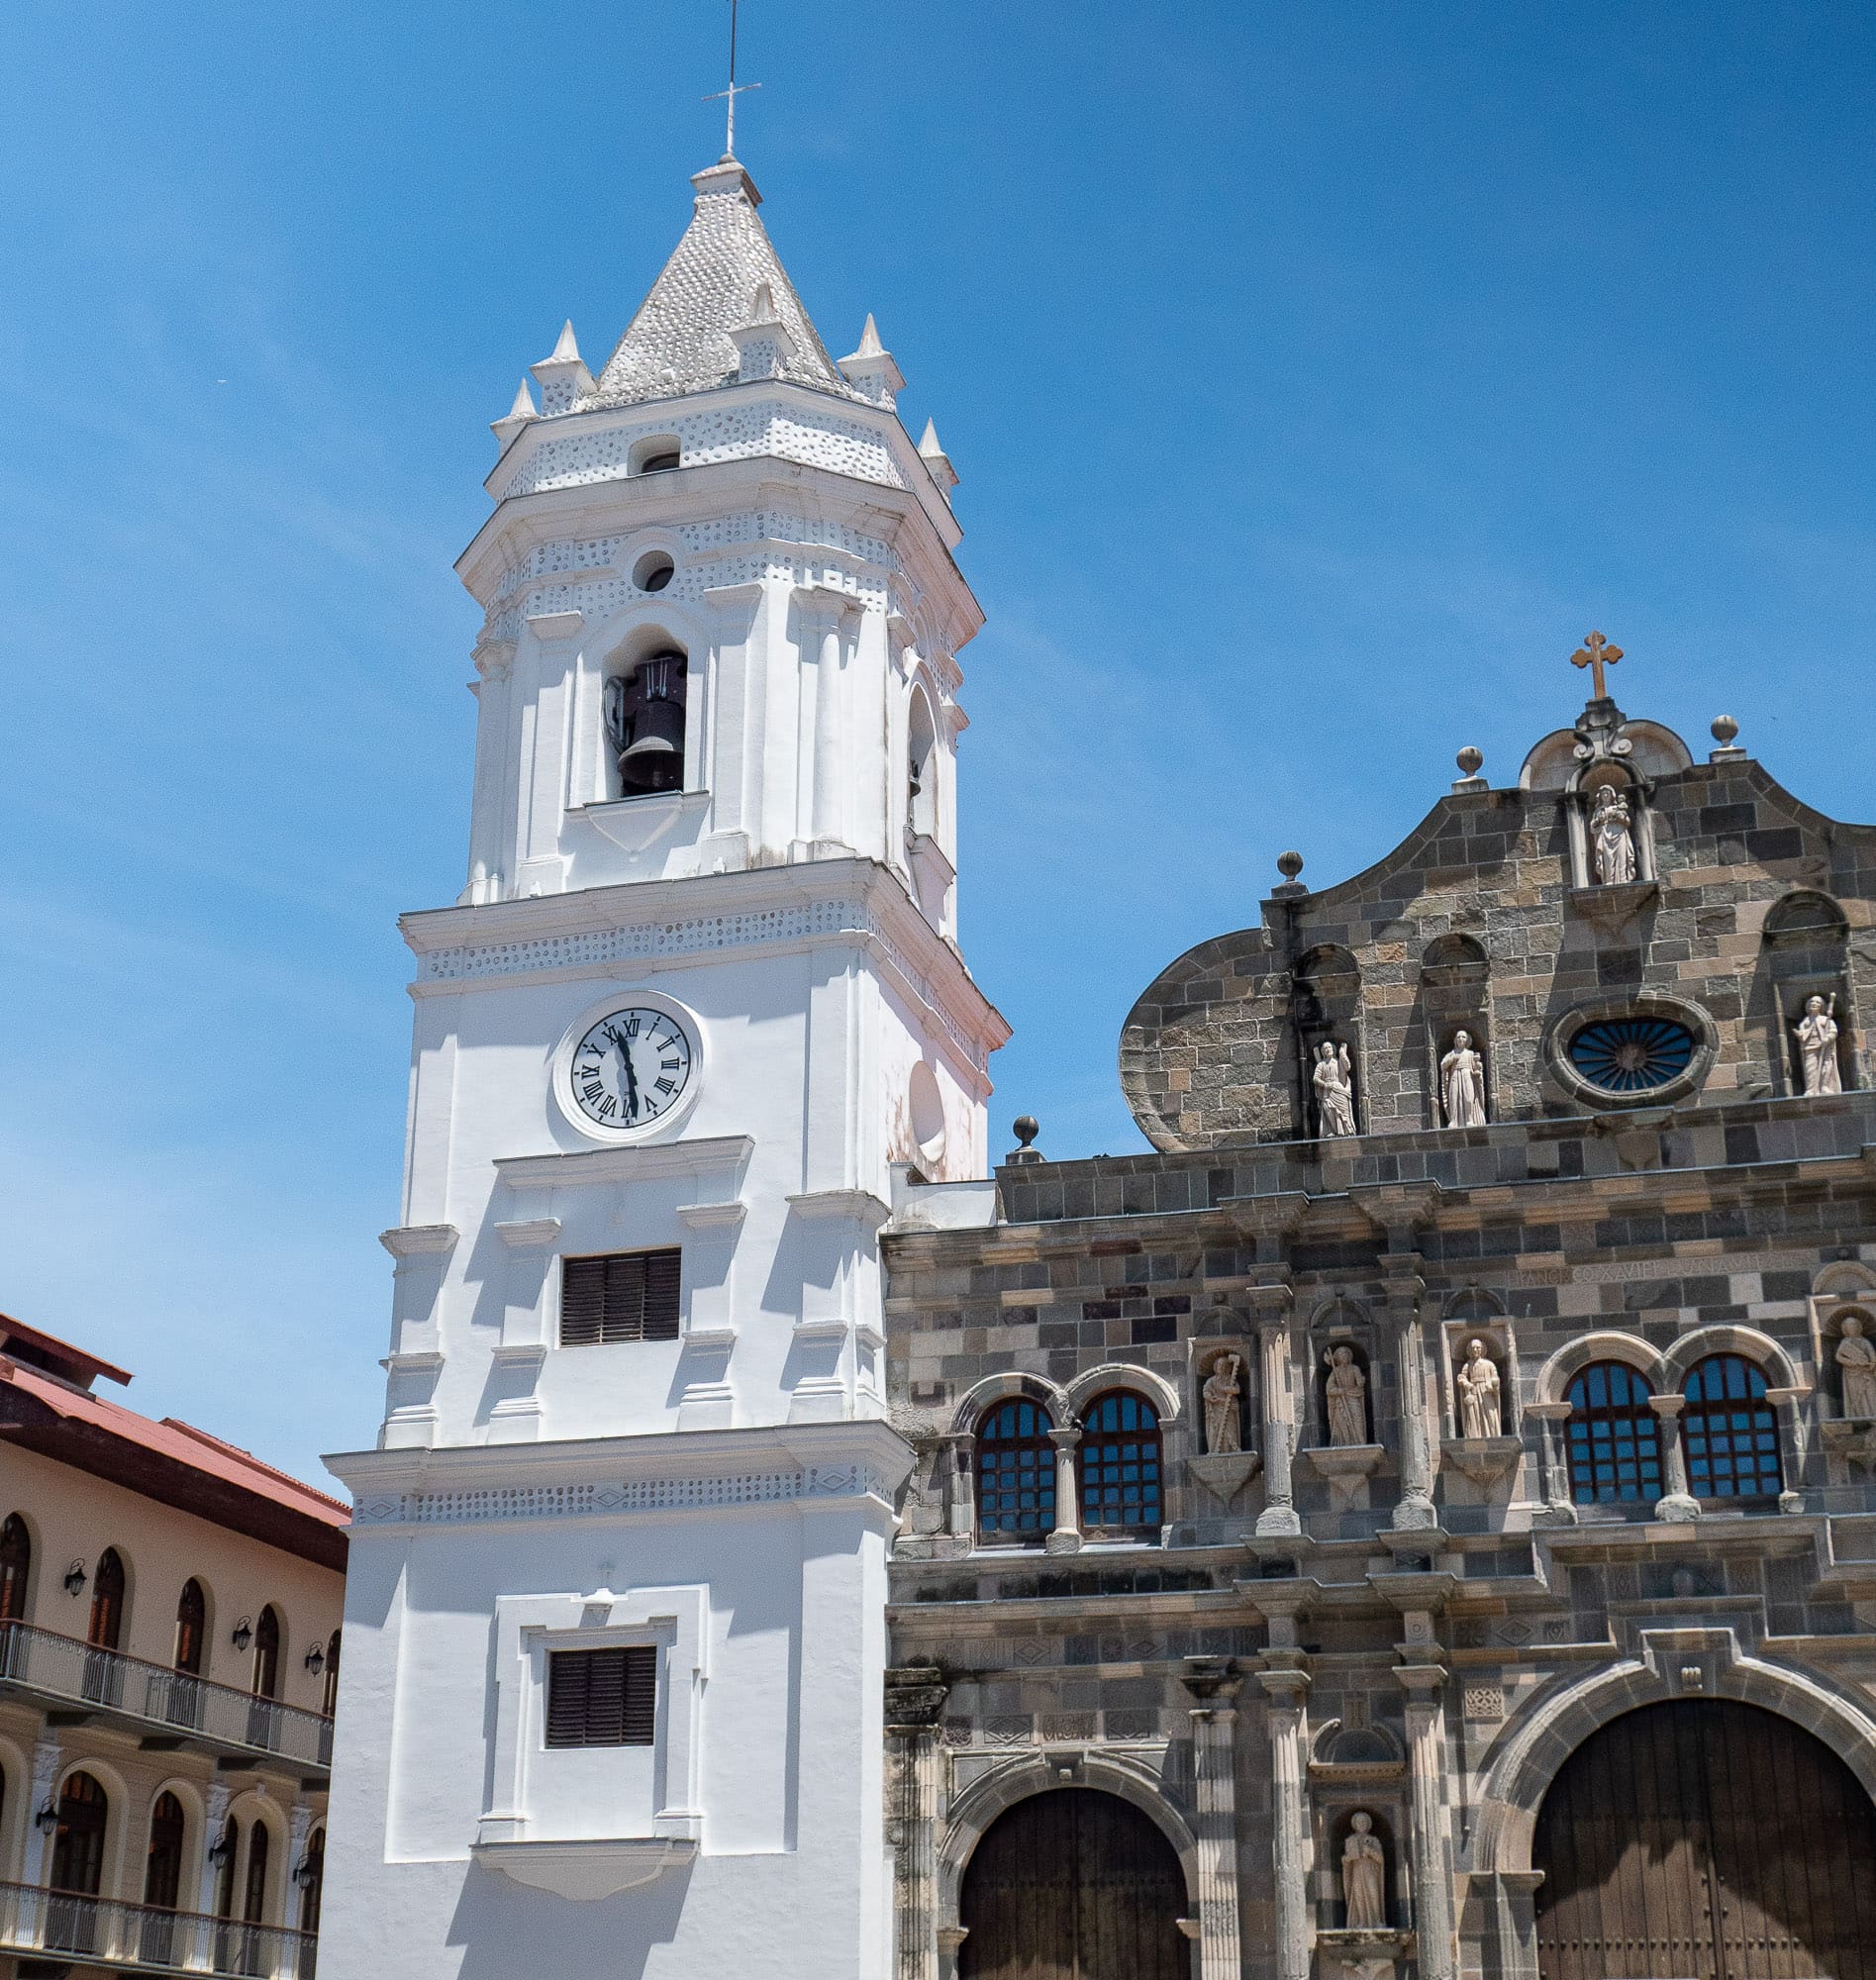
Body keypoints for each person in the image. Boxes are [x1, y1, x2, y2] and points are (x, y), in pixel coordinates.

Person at [1341, 1812, 1386, 1930]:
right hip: (1356, 1871)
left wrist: (1370, 1851)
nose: (1361, 1824)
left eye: (1364, 1821)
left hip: (1370, 1871)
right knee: (1358, 1895)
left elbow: (1381, 1859)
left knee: (1373, 1894)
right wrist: (1348, 1858)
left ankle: (1376, 1920)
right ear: (1355, 1824)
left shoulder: (1373, 1840)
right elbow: (1345, 1860)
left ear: (1368, 1824)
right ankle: (1361, 1921)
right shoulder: (1350, 1840)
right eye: (1359, 1821)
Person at [1795, 993, 1842, 1097]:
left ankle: (1824, 1087)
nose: (1814, 1004)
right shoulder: (1806, 1021)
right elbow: (1802, 1033)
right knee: (1810, 1069)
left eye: (1817, 1002)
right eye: (1812, 1002)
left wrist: (1828, 1038)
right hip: (1810, 1047)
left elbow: (1833, 1031)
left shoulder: (1825, 1019)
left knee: (1826, 1067)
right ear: (1808, 1005)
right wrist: (1799, 1034)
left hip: (1825, 1047)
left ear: (1822, 1006)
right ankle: (1811, 1089)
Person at [1590, 783, 1636, 885]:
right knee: (1608, 859)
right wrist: (1598, 820)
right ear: (1600, 797)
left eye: (1607, 793)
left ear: (1612, 795)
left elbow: (1628, 822)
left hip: (1619, 834)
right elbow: (1592, 827)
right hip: (1605, 836)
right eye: (1603, 794)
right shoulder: (1599, 810)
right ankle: (1609, 880)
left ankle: (1623, 879)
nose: (1605, 796)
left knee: (1621, 857)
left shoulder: (1618, 808)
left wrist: (1621, 818)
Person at [1440, 1030, 1488, 1128]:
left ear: (1467, 1040)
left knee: (1468, 1097)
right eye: (1459, 1037)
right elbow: (1443, 1065)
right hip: (1455, 1076)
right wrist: (1452, 1059)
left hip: (1468, 1076)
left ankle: (1469, 1119)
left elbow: (1476, 1068)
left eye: (1463, 1037)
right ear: (1455, 1040)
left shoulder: (1470, 1053)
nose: (1461, 1039)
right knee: (1454, 1098)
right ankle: (1454, 1120)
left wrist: (1478, 1072)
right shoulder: (1452, 1053)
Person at [1457, 1338, 1502, 1438]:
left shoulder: (1489, 1364)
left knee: (1490, 1413)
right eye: (1473, 1348)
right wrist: (1466, 1383)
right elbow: (1461, 1377)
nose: (1476, 1350)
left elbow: (1495, 1376)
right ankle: (1476, 1435)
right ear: (1470, 1350)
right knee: (1475, 1414)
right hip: (1474, 1390)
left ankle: (1492, 1434)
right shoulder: (1468, 1364)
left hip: (1486, 1390)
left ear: (1482, 1349)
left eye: (1478, 1348)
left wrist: (1493, 1383)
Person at [1324, 1346, 1368, 1446]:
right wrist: (1339, 1391)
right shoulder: (1336, 1371)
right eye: (1341, 1355)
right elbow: (1329, 1389)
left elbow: (1359, 1383)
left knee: (1358, 1422)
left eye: (1346, 1354)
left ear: (1349, 1357)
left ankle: (1360, 1442)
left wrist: (1361, 1381)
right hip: (1341, 1401)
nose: (1344, 1356)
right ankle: (1345, 1443)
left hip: (1353, 1398)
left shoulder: (1355, 1368)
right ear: (1338, 1358)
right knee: (1342, 1424)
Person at [1314, 1040, 1357, 1138]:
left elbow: (1348, 1067)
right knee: (1329, 1110)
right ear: (1323, 1052)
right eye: (1325, 1048)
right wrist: (1324, 1084)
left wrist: (1342, 1053)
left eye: (1329, 1047)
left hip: (1339, 1089)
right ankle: (1333, 1131)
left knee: (1344, 1112)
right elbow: (1315, 1078)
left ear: (1333, 1049)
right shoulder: (1321, 1065)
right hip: (1328, 1091)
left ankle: (1347, 1131)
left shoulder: (1338, 1062)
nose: (1327, 1049)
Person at [1202, 1352, 1242, 1454]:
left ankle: (1231, 1449)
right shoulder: (1212, 1380)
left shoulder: (1230, 1379)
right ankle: (1215, 1450)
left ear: (1228, 1368)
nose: (1222, 1368)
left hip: (1229, 1408)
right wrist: (1210, 1397)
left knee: (1230, 1429)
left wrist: (1229, 1389)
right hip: (1216, 1408)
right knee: (1216, 1430)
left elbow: (1237, 1390)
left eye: (1224, 1366)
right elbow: (1205, 1391)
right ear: (1216, 1367)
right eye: (1220, 1365)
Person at [1838, 1315, 1876, 1421]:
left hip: (1866, 1372)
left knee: (1870, 1393)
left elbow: (1873, 1357)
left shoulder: (1864, 1342)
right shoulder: (1845, 1342)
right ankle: (1858, 1416)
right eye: (1849, 1326)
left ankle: (1873, 1413)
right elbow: (1838, 1356)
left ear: (1858, 1327)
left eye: (1854, 1325)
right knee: (1855, 1397)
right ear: (1845, 1329)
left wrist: (1871, 1364)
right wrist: (1850, 1362)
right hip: (1851, 1375)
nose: (1852, 1328)